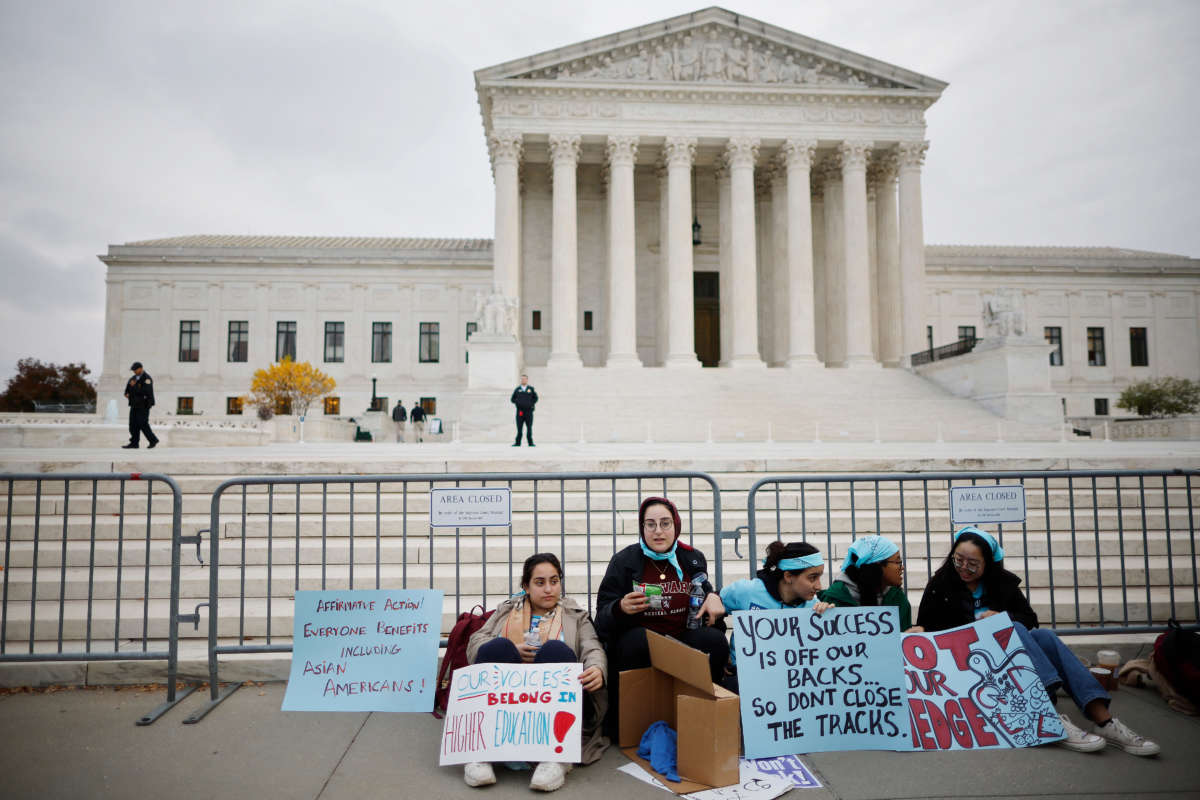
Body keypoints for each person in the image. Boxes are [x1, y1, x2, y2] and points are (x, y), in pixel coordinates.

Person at [917, 526, 1161, 757]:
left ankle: (1105, 721)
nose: (963, 568)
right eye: (958, 560)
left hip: (1008, 663)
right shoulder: (940, 585)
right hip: (969, 665)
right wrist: (920, 630)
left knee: (1041, 635)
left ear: (988, 564)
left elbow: (1029, 619)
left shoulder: (1002, 584)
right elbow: (928, 630)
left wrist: (1002, 618)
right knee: (1014, 627)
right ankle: (1047, 717)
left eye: (973, 563)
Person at [463, 553, 608, 792]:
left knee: (555, 651)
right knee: (498, 647)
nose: (549, 589)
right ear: (526, 587)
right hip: (510, 704)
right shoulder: (507, 610)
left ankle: (555, 757)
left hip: (556, 709)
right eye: (540, 583)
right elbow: (476, 644)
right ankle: (481, 752)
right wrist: (512, 648)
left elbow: (592, 647)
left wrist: (596, 668)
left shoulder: (575, 615)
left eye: (554, 581)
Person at [594, 496, 727, 736]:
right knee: (639, 640)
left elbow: (705, 594)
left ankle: (704, 716)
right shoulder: (624, 561)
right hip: (640, 645)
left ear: (676, 525)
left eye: (665, 523)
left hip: (682, 638)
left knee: (714, 642)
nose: (658, 531)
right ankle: (632, 720)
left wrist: (715, 597)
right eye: (650, 524)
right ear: (642, 527)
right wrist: (620, 607)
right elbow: (602, 616)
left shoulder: (691, 557)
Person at [717, 540, 834, 692]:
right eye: (812, 578)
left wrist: (828, 619)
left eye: (820, 577)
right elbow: (712, 607)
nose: (819, 586)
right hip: (743, 677)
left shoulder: (813, 606)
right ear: (788, 576)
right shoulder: (748, 591)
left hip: (790, 681)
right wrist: (722, 653)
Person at [820, 534, 921, 632]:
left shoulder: (897, 597)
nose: (902, 567)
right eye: (898, 562)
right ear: (877, 565)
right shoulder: (835, 598)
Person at [122, 361, 158, 449]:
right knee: (133, 424)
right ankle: (134, 443)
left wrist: (134, 387)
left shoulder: (147, 378)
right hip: (134, 404)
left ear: (141, 368)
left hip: (144, 405)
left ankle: (153, 440)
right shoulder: (133, 378)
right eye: (133, 370)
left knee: (143, 423)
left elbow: (145, 392)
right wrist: (126, 393)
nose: (134, 371)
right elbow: (127, 389)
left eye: (135, 369)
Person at [511, 374, 537, 447]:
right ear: (521, 380)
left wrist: (531, 403)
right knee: (519, 428)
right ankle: (517, 442)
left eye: (525, 379)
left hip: (529, 412)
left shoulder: (531, 389)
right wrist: (518, 402)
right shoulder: (517, 389)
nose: (523, 380)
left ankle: (530, 442)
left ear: (527, 380)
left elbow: (536, 398)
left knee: (529, 428)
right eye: (522, 379)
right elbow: (512, 399)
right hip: (520, 412)